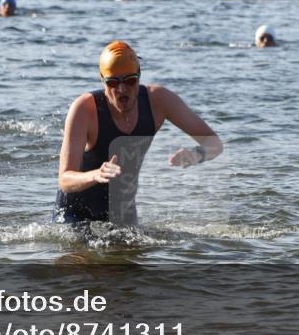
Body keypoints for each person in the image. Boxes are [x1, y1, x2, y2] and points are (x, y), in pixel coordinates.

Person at [54, 41, 223, 224]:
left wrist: (196, 155)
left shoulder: (159, 102)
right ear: (102, 81)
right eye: (113, 82)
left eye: (130, 80)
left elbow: (214, 143)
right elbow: (65, 179)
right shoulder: (84, 109)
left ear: (140, 76)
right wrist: (96, 174)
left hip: (122, 214)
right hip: (74, 215)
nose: (122, 89)